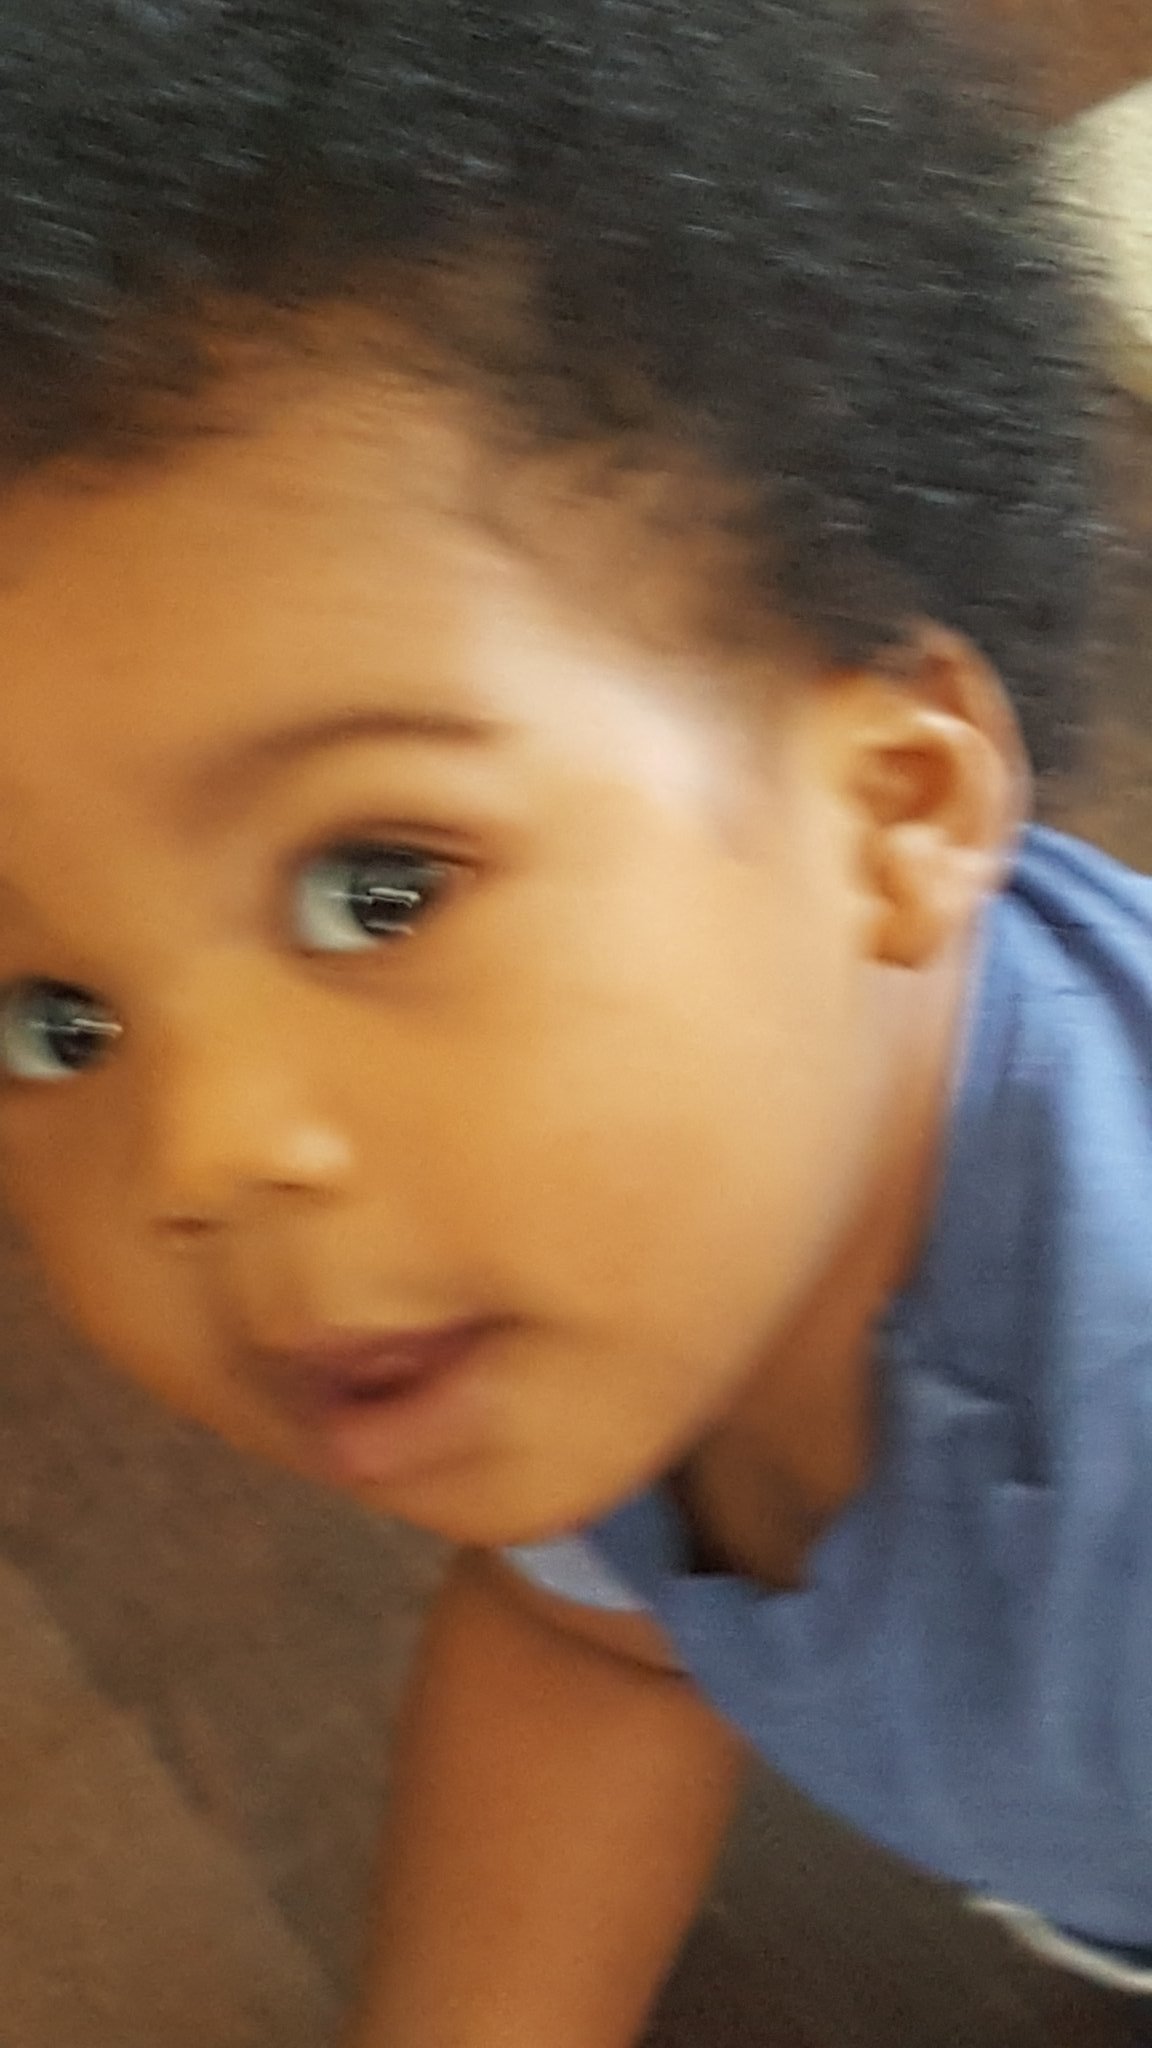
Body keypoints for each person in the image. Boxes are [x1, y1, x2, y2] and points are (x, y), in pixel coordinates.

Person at [0, 2, 1147, 2041]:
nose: (203, 1153)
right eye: (54, 1018)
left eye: (376, 886)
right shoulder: (638, 1246)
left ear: (896, 810)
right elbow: (602, 1637)